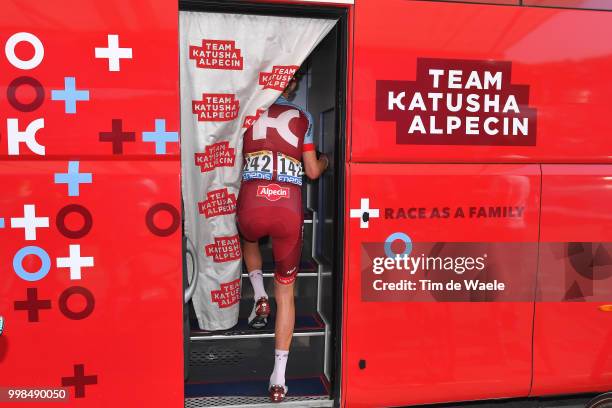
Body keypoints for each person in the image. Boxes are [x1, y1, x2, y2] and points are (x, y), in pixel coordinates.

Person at [236, 73, 329, 402]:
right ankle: (278, 380)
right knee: (286, 294)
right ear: (293, 86)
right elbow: (313, 172)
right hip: (288, 209)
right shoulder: (302, 118)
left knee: (249, 236)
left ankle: (258, 294)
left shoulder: (247, 110)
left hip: (252, 203)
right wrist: (326, 159)